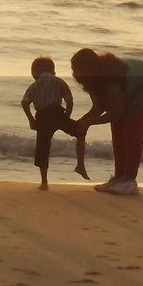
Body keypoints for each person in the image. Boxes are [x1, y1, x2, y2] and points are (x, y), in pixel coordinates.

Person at [70, 48, 143, 196]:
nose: (74, 74)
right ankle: (119, 178)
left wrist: (90, 122)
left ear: (90, 68)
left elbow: (115, 113)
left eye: (78, 70)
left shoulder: (110, 78)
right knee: (117, 132)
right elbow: (98, 108)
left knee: (132, 132)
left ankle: (129, 181)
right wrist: (83, 121)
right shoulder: (91, 81)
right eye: (73, 69)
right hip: (132, 86)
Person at [21, 56, 88, 191]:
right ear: (53, 70)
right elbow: (69, 100)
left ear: (34, 72)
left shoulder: (34, 85)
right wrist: (66, 116)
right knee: (80, 132)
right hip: (57, 113)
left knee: (43, 148)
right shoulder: (59, 82)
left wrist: (31, 119)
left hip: (42, 117)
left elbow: (24, 102)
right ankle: (80, 165)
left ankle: (44, 181)